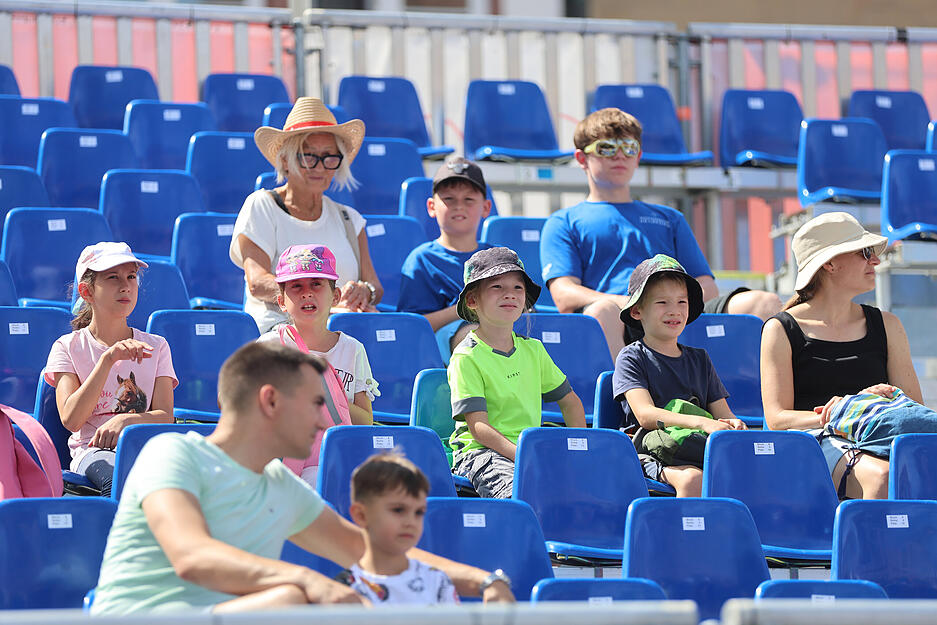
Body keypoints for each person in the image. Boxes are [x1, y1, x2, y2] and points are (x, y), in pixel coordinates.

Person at [92, 342, 515, 614]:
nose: (326, 419)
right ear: (271, 400)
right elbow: (192, 557)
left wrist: (485, 581)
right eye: (315, 403)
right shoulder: (172, 453)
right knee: (296, 598)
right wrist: (309, 580)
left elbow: (369, 552)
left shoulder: (278, 484)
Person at [540, 107, 782, 358]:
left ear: (638, 156)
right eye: (606, 148)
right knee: (601, 312)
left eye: (629, 147)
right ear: (582, 159)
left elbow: (706, 286)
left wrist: (670, 305)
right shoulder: (563, 222)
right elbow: (564, 294)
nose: (620, 155)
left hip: (678, 314)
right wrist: (630, 303)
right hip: (622, 317)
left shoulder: (669, 218)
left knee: (764, 303)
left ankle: (765, 384)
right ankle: (626, 384)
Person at [761, 212, 922, 500]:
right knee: (883, 477)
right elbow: (777, 419)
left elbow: (913, 408)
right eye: (865, 252)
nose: (876, 260)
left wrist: (864, 404)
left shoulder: (888, 324)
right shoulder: (780, 329)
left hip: (878, 436)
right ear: (829, 264)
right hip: (812, 444)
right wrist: (846, 411)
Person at [231, 97, 383, 333]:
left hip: (346, 332)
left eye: (329, 157)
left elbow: (374, 285)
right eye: (308, 156)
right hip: (282, 332)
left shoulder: (349, 218)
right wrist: (324, 302)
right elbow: (257, 282)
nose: (319, 167)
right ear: (285, 160)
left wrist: (365, 292)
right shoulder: (262, 205)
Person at [449, 247, 586, 499]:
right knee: (523, 495)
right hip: (482, 452)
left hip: (531, 449)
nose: (510, 294)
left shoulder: (534, 350)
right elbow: (479, 427)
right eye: (497, 287)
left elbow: (571, 403)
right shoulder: (466, 357)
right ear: (472, 301)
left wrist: (577, 453)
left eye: (517, 287)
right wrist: (525, 454)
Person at [43, 242, 176, 497]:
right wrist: (108, 360)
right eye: (113, 277)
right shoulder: (67, 347)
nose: (125, 286)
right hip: (92, 452)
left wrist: (126, 420)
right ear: (87, 291)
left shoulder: (157, 346)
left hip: (146, 446)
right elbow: (71, 419)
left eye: (131, 277)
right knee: (120, 479)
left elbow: (165, 415)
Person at [613, 254, 746, 498]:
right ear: (637, 311)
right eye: (662, 302)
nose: (674, 311)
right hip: (648, 453)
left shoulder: (700, 359)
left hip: (698, 449)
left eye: (681, 302)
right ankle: (686, 525)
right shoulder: (631, 357)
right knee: (692, 480)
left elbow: (723, 414)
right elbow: (645, 415)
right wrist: (700, 422)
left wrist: (733, 424)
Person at [257, 243, 379, 486]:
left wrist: (325, 395)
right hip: (280, 463)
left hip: (335, 460)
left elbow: (365, 421)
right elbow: (238, 404)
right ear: (281, 301)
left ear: (336, 296)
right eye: (296, 286)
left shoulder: (352, 349)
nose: (307, 293)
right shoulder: (269, 346)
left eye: (316, 284)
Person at [397, 155, 493, 358]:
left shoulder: (498, 257)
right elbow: (410, 328)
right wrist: (464, 309)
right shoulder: (421, 259)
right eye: (449, 199)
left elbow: (526, 311)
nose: (459, 206)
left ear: (486, 208)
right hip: (444, 354)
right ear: (431, 206)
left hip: (503, 340)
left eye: (469, 199)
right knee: (476, 337)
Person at [338, 453, 458, 605]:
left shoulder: (438, 582)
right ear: (361, 515)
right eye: (398, 510)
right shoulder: (345, 591)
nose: (411, 522)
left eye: (419, 512)